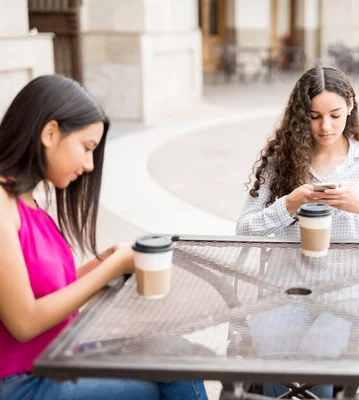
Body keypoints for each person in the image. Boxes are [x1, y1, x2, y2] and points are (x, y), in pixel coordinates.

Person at [0, 75, 207, 400]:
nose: (89, 164)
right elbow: (24, 321)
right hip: (21, 383)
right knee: (160, 382)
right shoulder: (2, 203)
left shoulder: (27, 200)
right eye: (86, 148)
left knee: (175, 352)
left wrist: (103, 262)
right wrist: (108, 271)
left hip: (59, 357)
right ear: (50, 133)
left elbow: (48, 291)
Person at [236, 65, 359, 241]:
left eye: (335, 115)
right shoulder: (282, 158)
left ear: (350, 105)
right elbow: (243, 230)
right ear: (301, 115)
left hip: (355, 271)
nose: (326, 126)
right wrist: (289, 204)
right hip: (289, 271)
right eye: (314, 117)